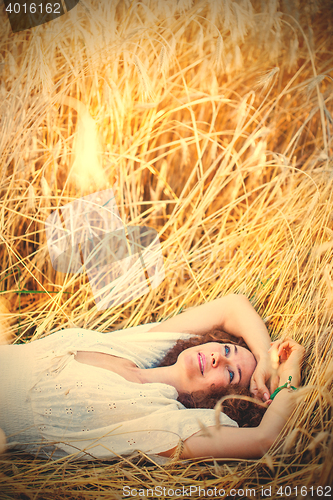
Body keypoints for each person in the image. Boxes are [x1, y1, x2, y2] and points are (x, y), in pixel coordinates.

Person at [0, 293, 304, 460]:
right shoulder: (145, 348)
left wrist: (287, 372)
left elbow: (266, 438)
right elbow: (232, 306)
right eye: (225, 347)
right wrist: (266, 359)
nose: (218, 357)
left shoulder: (163, 422)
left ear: (224, 401)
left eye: (230, 372)